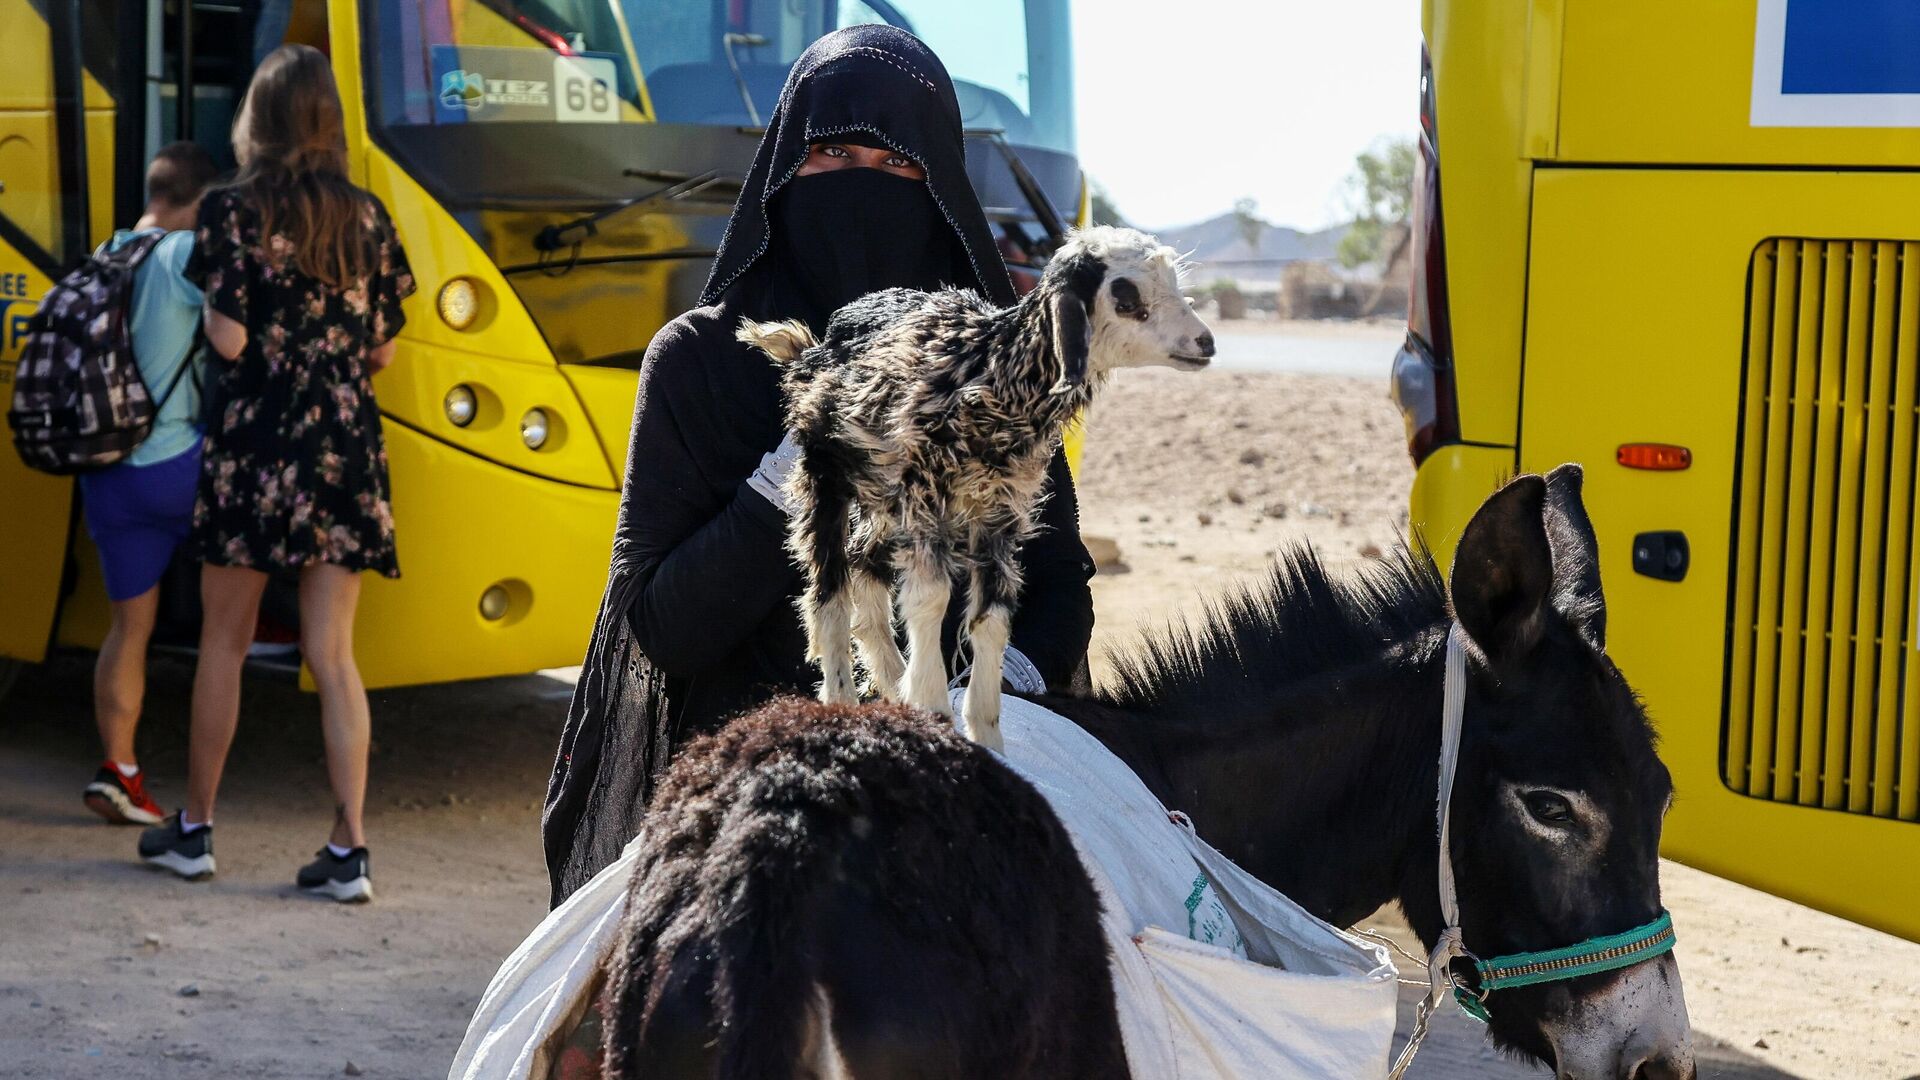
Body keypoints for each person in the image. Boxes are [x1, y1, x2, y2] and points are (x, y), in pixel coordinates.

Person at [542, 25, 1097, 905]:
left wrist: (986, 701)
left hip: (945, 809)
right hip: (742, 825)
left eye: (894, 163)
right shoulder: (699, 362)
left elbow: (1059, 582)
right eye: (832, 154)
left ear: (941, 188)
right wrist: (805, 462)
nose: (860, 186)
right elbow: (662, 625)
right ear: (783, 176)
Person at [136, 44, 415, 902]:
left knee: (224, 640)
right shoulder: (366, 216)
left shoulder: (229, 212)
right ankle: (350, 849)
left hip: (257, 442)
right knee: (334, 655)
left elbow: (228, 339)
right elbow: (384, 348)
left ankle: (197, 829)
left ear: (256, 120)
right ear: (329, 121)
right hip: (343, 447)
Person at [77, 141, 219, 826]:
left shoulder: (106, 254)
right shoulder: (181, 256)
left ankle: (120, 769)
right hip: (176, 468)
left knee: (128, 629)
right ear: (197, 203)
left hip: (106, 472)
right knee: (232, 606)